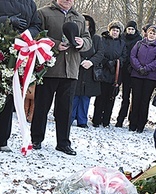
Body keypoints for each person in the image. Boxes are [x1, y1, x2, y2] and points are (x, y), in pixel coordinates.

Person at [0, 0, 42, 152]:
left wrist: (26, 35)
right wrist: (7, 20)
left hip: (20, 52)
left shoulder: (30, 3)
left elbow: (36, 25)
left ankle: (1, 140)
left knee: (11, 95)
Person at [31, 0, 92, 155]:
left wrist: (82, 43)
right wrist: (55, 44)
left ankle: (63, 143)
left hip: (70, 70)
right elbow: (37, 35)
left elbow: (88, 40)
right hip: (49, 68)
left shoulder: (79, 17)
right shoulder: (44, 13)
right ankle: (36, 139)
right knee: (42, 106)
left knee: (65, 109)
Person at [128, 25, 156, 132]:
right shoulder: (139, 43)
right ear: (147, 33)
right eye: (150, 33)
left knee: (145, 100)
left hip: (150, 77)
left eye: (154, 33)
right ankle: (132, 124)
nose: (152, 35)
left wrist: (147, 68)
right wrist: (139, 67)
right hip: (137, 75)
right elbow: (133, 56)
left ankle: (141, 125)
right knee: (135, 99)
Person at [71, 14, 104, 128]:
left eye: (88, 25)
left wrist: (90, 62)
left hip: (90, 71)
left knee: (85, 98)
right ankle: (69, 118)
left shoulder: (96, 38)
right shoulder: (75, 37)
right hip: (76, 68)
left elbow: (100, 53)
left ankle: (82, 120)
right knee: (74, 95)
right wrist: (79, 60)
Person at [91, 20, 126, 128]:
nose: (115, 32)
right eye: (113, 30)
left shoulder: (122, 43)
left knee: (110, 98)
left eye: (117, 30)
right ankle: (96, 119)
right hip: (102, 72)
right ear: (109, 30)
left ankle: (106, 120)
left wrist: (116, 62)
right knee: (100, 97)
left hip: (115, 74)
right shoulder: (103, 40)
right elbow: (99, 52)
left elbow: (124, 56)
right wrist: (106, 62)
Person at [115, 20, 142, 128]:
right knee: (124, 96)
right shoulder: (122, 38)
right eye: (129, 29)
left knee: (134, 97)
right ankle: (120, 119)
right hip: (122, 69)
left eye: (132, 29)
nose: (130, 31)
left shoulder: (139, 40)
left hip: (133, 70)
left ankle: (132, 120)